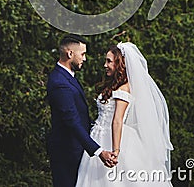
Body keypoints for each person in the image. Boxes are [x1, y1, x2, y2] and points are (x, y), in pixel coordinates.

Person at [76, 42, 174, 186]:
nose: (105, 65)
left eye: (109, 61)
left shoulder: (123, 89)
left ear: (120, 64)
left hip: (112, 138)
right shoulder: (114, 86)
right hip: (99, 136)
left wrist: (116, 151)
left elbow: (117, 120)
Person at [46, 35, 117, 187]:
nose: (84, 59)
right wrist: (98, 151)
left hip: (76, 149)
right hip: (67, 152)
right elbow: (71, 121)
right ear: (70, 54)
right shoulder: (59, 82)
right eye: (82, 54)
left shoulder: (67, 77)